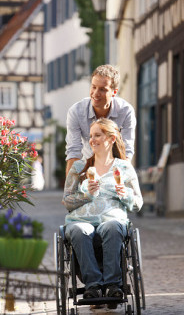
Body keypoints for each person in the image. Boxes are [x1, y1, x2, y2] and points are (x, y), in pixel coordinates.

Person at [62, 118, 143, 305]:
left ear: (112, 138)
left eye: (97, 135)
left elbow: (138, 202)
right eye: (90, 136)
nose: (92, 140)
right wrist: (86, 195)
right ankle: (93, 286)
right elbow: (66, 201)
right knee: (77, 230)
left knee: (112, 226)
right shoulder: (79, 167)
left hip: (112, 220)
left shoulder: (124, 168)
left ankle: (113, 285)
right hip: (81, 220)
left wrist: (125, 195)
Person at [65, 64, 136, 175]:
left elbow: (126, 151)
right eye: (93, 87)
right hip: (87, 167)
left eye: (102, 89)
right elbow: (73, 152)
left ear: (114, 92)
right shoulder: (76, 112)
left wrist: (120, 181)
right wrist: (69, 190)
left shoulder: (126, 111)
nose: (96, 93)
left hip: (115, 167)